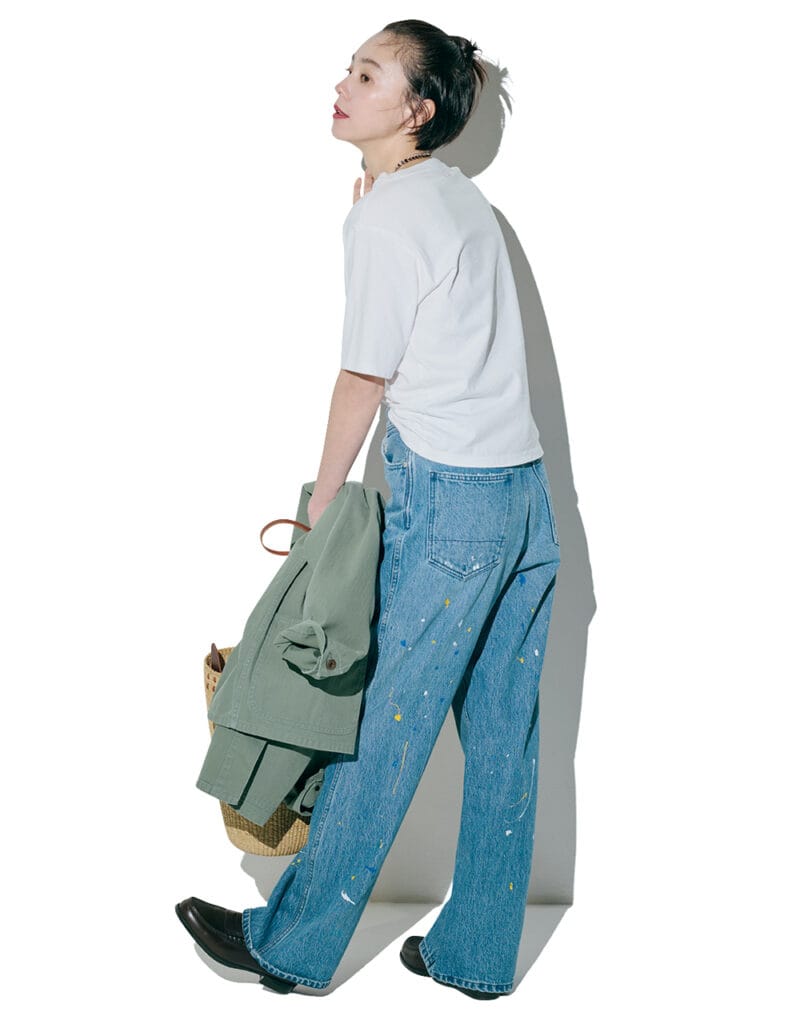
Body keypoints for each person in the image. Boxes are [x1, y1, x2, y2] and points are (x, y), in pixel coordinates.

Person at [176, 18, 561, 999]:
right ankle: (477, 956)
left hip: (454, 510)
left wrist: (318, 507)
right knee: (504, 739)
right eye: (349, 69)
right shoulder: (456, 197)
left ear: (416, 108)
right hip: (523, 498)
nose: (342, 85)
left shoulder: (388, 218)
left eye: (368, 74)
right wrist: (377, 206)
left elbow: (362, 377)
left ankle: (292, 947)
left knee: (381, 727)